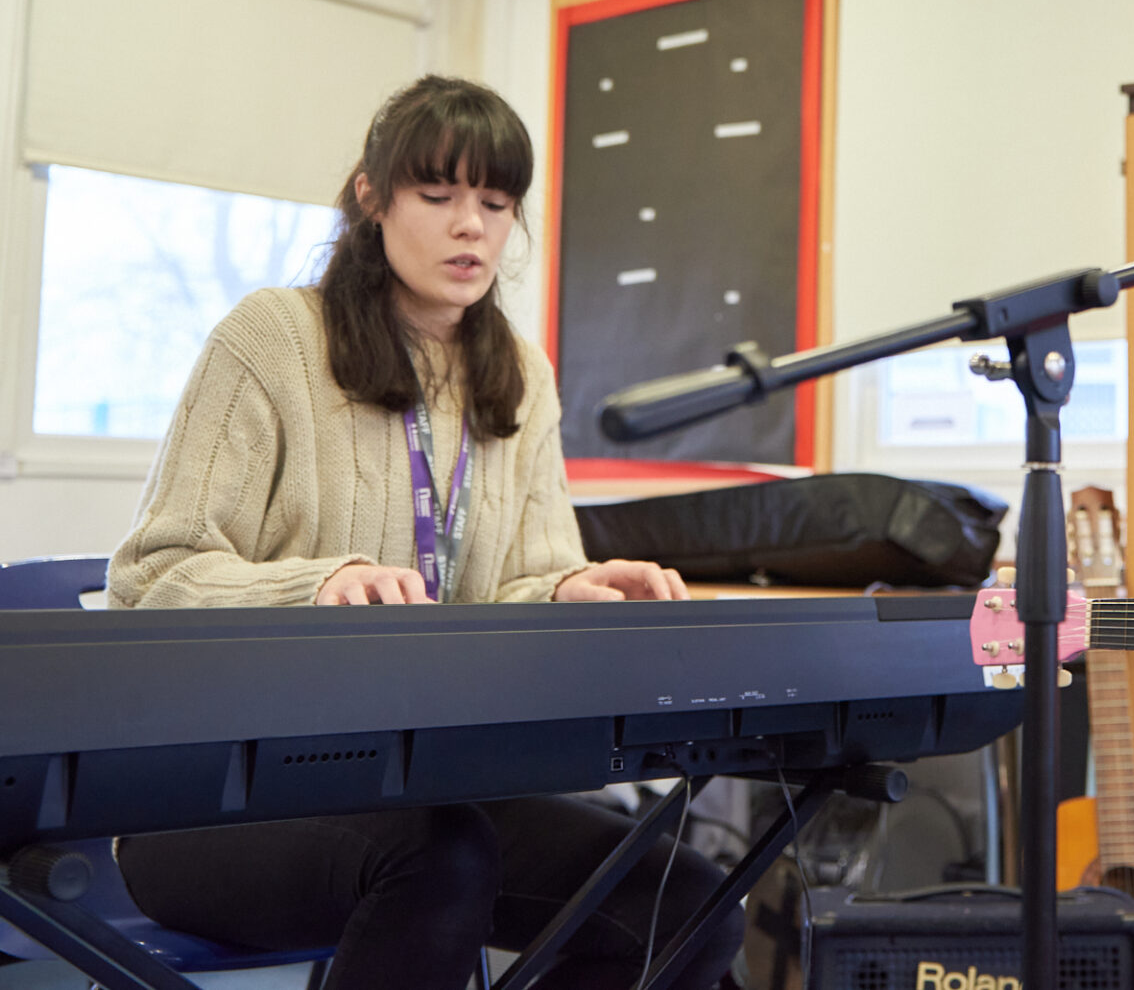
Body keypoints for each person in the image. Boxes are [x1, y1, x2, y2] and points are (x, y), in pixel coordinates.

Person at [108, 75, 745, 990]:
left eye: (496, 203)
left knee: (688, 904)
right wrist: (317, 585)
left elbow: (517, 584)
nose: (471, 227)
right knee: (441, 863)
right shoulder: (275, 337)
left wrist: (570, 591)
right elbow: (152, 575)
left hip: (427, 785)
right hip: (214, 796)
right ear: (372, 198)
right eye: (439, 196)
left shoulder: (520, 373)